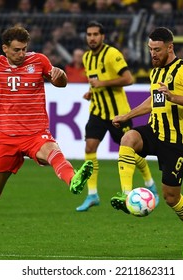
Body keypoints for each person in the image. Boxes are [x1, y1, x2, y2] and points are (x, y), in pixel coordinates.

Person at [0, 17, 93, 250]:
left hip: (35, 133)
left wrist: (60, 77)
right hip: (7, 139)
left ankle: (73, 181)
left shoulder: (39, 61)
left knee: (53, 151)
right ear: (5, 49)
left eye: (24, 49)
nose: (22, 54)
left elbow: (59, 81)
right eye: (17, 50)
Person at [111, 27, 183, 259]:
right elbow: (154, 101)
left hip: (176, 142)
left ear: (170, 47)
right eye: (150, 49)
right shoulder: (156, 72)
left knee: (171, 197)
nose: (153, 54)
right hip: (155, 131)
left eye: (157, 49)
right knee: (128, 138)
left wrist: (173, 96)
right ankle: (126, 194)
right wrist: (127, 116)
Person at [76, 21, 158, 212]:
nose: (92, 38)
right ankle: (92, 194)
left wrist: (102, 84)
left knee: (131, 152)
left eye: (96, 34)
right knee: (90, 147)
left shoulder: (112, 54)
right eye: (89, 34)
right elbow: (95, 81)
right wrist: (91, 91)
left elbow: (129, 79)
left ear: (103, 36)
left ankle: (150, 184)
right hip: (97, 111)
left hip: (118, 113)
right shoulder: (87, 57)